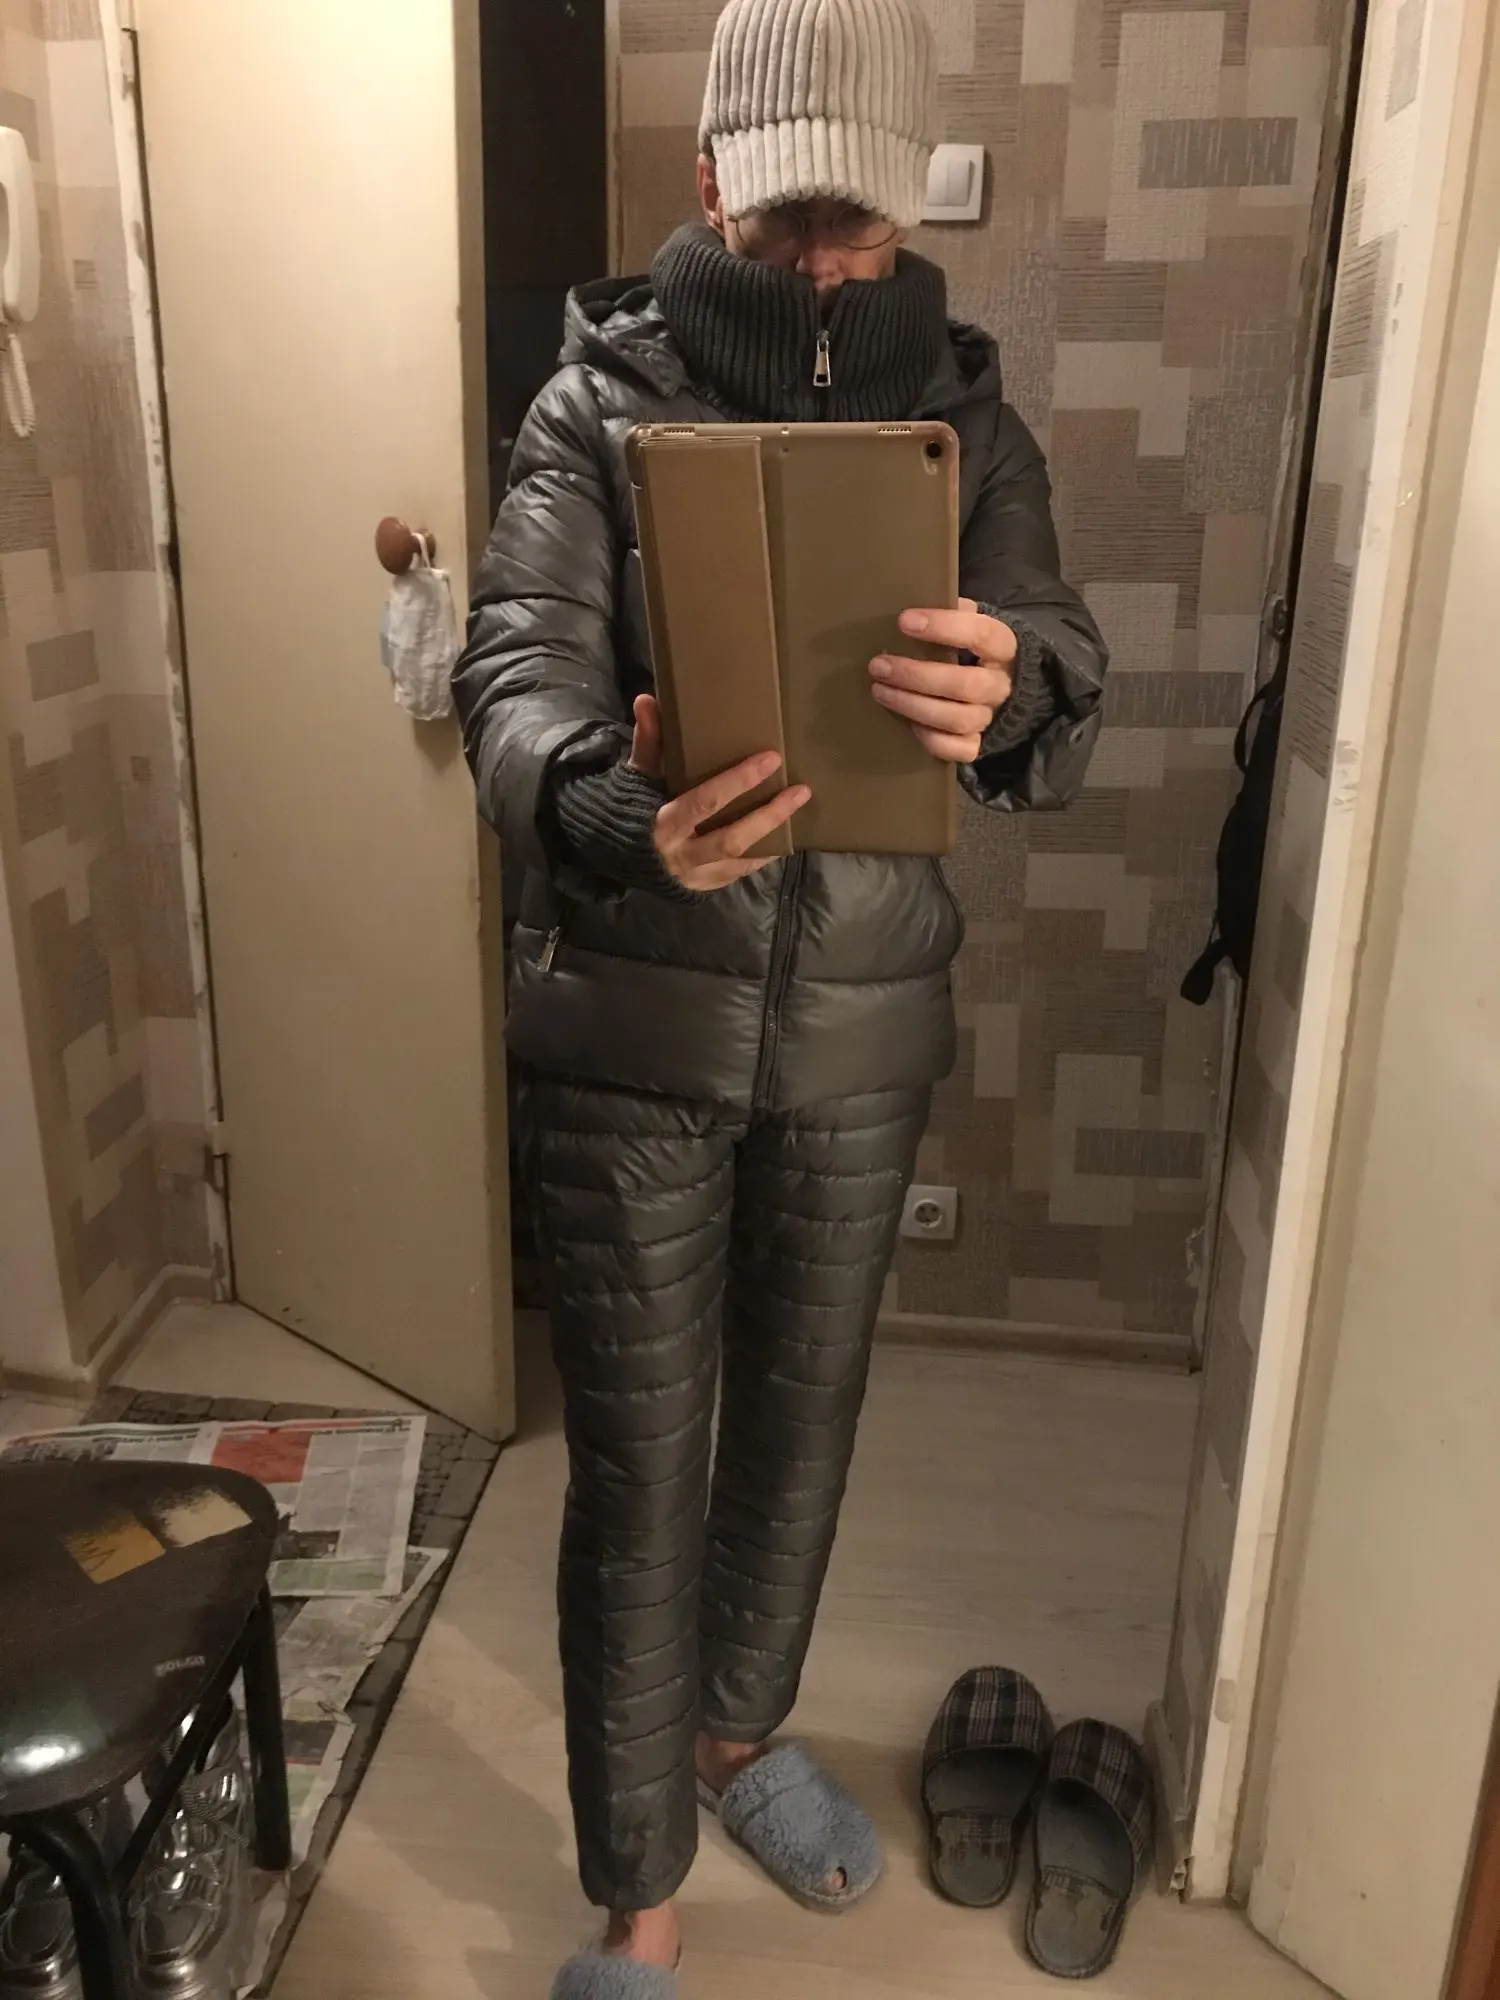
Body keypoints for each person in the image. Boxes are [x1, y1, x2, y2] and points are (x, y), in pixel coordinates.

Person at [453, 0, 1107, 1990]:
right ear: (712, 176)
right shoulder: (589, 407)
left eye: (860, 218)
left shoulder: (972, 429)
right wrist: (611, 801)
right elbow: (514, 671)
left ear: (911, 210)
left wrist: (1015, 687)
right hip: (627, 1030)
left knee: (802, 1437)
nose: (822, 260)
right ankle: (636, 1894)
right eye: (787, 210)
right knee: (639, 1470)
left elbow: (1060, 659)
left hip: (861, 1035)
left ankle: (738, 1737)